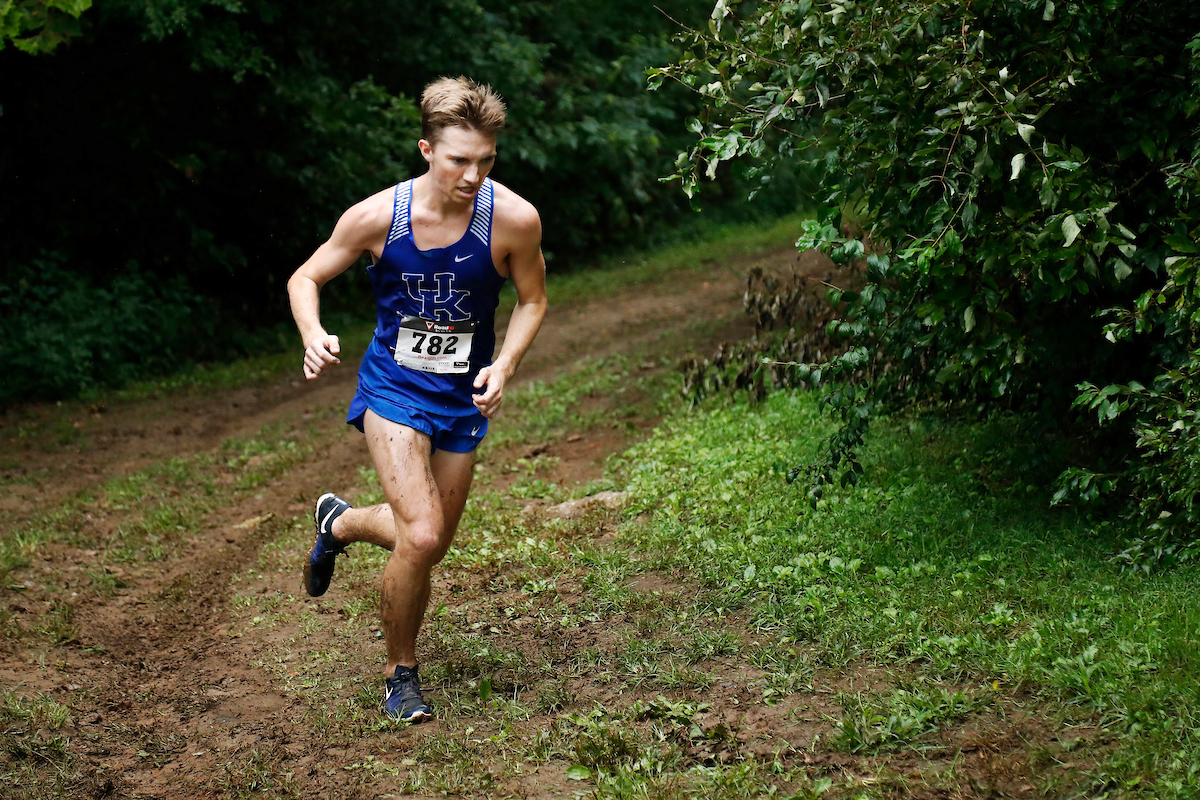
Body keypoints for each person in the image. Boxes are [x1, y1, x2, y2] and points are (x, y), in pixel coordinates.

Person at [286, 76, 547, 723]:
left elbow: (533, 299)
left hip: (463, 399)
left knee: (429, 542)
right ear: (427, 150)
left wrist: (505, 365)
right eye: (459, 159)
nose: (473, 174)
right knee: (423, 534)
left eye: (485, 160)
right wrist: (313, 332)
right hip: (394, 389)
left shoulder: (513, 219)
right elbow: (307, 276)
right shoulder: (379, 217)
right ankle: (400, 675)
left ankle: (339, 524)